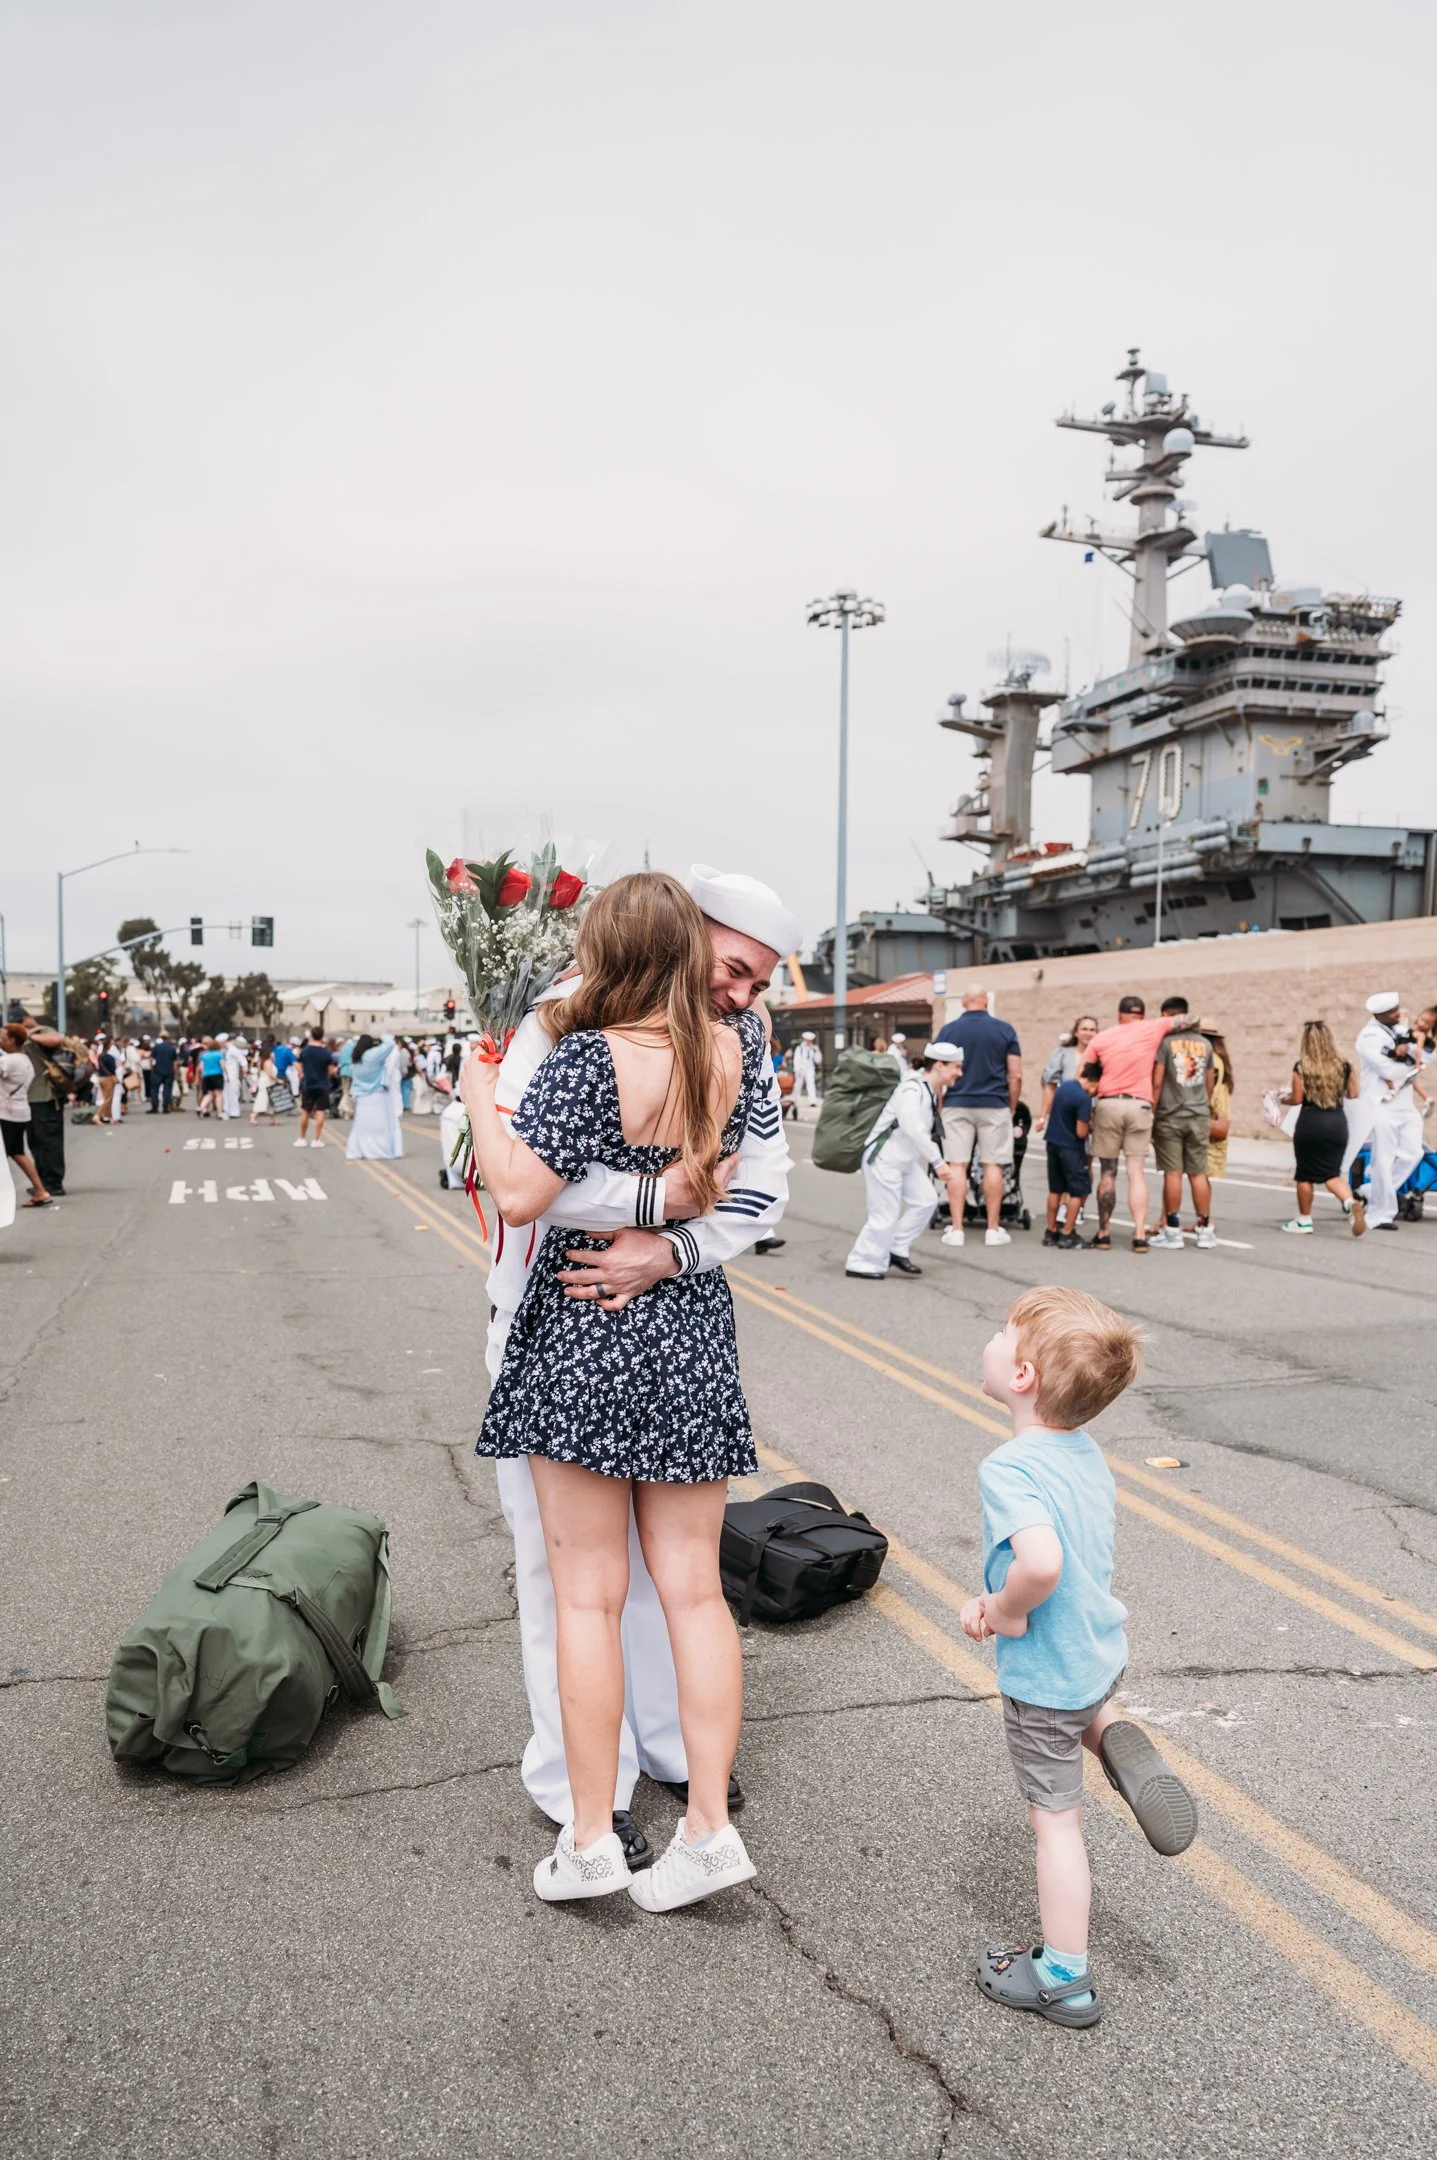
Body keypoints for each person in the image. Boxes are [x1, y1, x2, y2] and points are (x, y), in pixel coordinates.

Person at [474, 862, 795, 1888]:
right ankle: (605, 1788)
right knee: (640, 1583)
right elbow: (696, 1176)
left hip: (603, 1320)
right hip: (624, 1321)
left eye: (759, 983)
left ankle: (622, 1804)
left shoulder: (706, 1041)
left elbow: (522, 1177)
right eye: (737, 971)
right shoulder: (561, 1023)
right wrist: (665, 1195)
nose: (746, 998)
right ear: (683, 937)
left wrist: (665, 1237)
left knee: (594, 1591)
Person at [960, 1286, 1197, 2029]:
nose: (993, 1341)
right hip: (1096, 1651)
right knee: (1085, 1705)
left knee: (1055, 1823)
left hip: (1044, 1673)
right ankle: (1112, 1736)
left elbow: (1040, 1564)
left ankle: (1062, 1976)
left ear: (1022, 1376)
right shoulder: (1083, 1450)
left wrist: (999, 1612)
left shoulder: (1010, 1467)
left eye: (1004, 1334)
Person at [845, 1042, 962, 1280]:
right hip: (884, 1158)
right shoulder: (911, 1089)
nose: (959, 1073)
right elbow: (913, 1128)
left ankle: (895, 1248)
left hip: (904, 1161)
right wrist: (938, 1162)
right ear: (939, 1066)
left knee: (926, 1201)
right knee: (884, 1215)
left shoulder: (929, 1089)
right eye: (956, 1067)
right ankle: (862, 1261)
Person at [1084, 996, 1178, 1253]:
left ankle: (1103, 1233)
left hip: (1109, 1104)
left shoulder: (1102, 1038)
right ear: (1143, 1015)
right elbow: (1187, 1020)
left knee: (1108, 1171)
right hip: (1140, 1105)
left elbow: (1084, 1077)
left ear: (1119, 1014)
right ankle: (1139, 1234)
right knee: (1136, 1171)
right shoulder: (1153, 1027)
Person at [934, 985, 1022, 1250]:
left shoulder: (948, 1031)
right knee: (992, 1165)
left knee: (957, 1165)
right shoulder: (1005, 1030)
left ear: (964, 1002)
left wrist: (940, 1103)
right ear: (986, 1001)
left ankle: (957, 1228)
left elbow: (938, 1070)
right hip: (994, 1102)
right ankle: (993, 1228)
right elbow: (1015, 1074)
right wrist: (1011, 1105)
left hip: (957, 1102)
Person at [1345, 992, 1427, 1232]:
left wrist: (1415, 1055)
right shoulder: (1368, 1037)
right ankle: (1380, 1214)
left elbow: (1420, 1053)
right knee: (1383, 1158)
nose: (1398, 1014)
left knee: (1413, 1153)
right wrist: (1413, 1062)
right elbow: (1389, 1069)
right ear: (1378, 1014)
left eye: (1398, 1009)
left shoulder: (1398, 1029)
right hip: (1381, 1104)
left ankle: (1372, 1190)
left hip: (1403, 1102)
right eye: (1392, 1012)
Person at [1283, 1020, 1363, 1235]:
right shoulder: (1344, 1065)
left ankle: (1304, 1220)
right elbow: (1354, 1094)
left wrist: (1283, 1098)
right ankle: (1349, 1203)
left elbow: (1297, 1099)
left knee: (1305, 1174)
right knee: (1332, 1174)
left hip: (1311, 1122)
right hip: (1337, 1122)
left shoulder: (1301, 1067)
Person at [1150, 997, 1217, 1250]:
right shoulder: (1205, 1044)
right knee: (1199, 1173)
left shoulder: (1166, 1044)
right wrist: (1203, 1106)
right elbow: (1209, 1083)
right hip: (1198, 1114)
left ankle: (1172, 1229)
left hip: (1170, 1114)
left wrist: (1153, 1113)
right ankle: (1204, 1229)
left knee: (1173, 1172)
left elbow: (1157, 1082)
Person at [15, 1017, 75, 1196]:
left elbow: (57, 1039)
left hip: (46, 1097)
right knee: (35, 1142)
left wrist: (29, 1035)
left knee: (49, 1141)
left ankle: (54, 1182)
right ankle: (42, 1181)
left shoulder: (43, 1031)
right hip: (30, 1099)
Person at [1043, 1063, 1097, 1248]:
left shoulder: (1064, 1087)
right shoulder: (1083, 1098)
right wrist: (1091, 1126)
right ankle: (1067, 1232)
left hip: (1053, 1142)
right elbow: (1081, 1131)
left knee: (1055, 1189)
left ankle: (1050, 1231)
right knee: (1077, 1190)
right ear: (1094, 1082)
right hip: (1071, 1148)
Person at [1, 1022, 52, 1208]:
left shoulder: (10, 1061)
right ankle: (40, 1190)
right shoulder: (24, 1059)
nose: (0, 1040)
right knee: (17, 1153)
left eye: (3, 1037)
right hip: (19, 1112)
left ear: (13, 1041)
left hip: (6, 1114)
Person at [1035, 1017, 1099, 1135]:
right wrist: (1043, 1117)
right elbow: (1050, 1086)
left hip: (1093, 1113)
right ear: (1076, 1032)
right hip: (1067, 1111)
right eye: (1084, 1029)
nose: (1088, 1033)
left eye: (1092, 1030)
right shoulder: (1063, 1053)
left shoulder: (1101, 1055)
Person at [346, 1035, 403, 1158]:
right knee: (379, 1128)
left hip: (360, 1097)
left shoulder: (355, 1057)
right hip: (376, 1095)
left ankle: (359, 1151)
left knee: (361, 1127)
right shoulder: (372, 1055)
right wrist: (381, 1034)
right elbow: (390, 1044)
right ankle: (377, 1151)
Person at [295, 1026, 338, 1149]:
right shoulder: (326, 1052)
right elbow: (330, 1071)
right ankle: (316, 1139)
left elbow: (301, 1067)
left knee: (305, 1111)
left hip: (308, 1084)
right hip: (323, 1084)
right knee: (320, 1111)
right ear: (322, 1036)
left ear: (312, 1036)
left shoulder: (305, 1051)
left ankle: (302, 1138)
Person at [250, 1045, 280, 1127]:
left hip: (263, 1080)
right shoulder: (268, 1062)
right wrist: (278, 1080)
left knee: (269, 1100)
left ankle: (273, 1119)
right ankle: (254, 1115)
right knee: (264, 1098)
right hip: (267, 1081)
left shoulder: (261, 1061)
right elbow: (270, 1073)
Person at [149, 1031, 178, 1114]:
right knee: (167, 1089)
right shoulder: (171, 1048)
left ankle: (155, 1106)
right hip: (169, 1071)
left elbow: (152, 1059)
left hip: (157, 1071)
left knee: (155, 1089)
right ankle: (166, 1106)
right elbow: (174, 1062)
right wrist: (175, 1072)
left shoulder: (156, 1047)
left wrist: (152, 1069)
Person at [792, 1030, 822, 1107]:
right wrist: (797, 1069)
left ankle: (812, 1101)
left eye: (810, 1040)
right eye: (807, 1040)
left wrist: (817, 1051)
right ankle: (795, 1100)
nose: (808, 1042)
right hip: (801, 1069)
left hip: (810, 1069)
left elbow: (818, 1060)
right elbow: (796, 1060)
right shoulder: (799, 1048)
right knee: (798, 1085)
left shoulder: (813, 1049)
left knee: (811, 1084)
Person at [197, 1037, 224, 1116]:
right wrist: (227, 1073)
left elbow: (201, 1067)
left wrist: (202, 1074)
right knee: (218, 1094)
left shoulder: (204, 1055)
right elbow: (223, 1065)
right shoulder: (219, 1054)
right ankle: (219, 1113)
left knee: (209, 1094)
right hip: (217, 1074)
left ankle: (201, 1107)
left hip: (206, 1075)